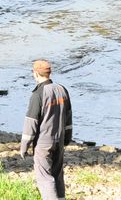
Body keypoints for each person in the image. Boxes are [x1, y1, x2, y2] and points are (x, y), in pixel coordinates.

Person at [19, 59, 73, 200]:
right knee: (57, 175)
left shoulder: (38, 94)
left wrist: (24, 146)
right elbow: (68, 118)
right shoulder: (62, 90)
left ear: (36, 73)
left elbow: (31, 123)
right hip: (59, 140)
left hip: (43, 143)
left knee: (45, 179)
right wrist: (67, 138)